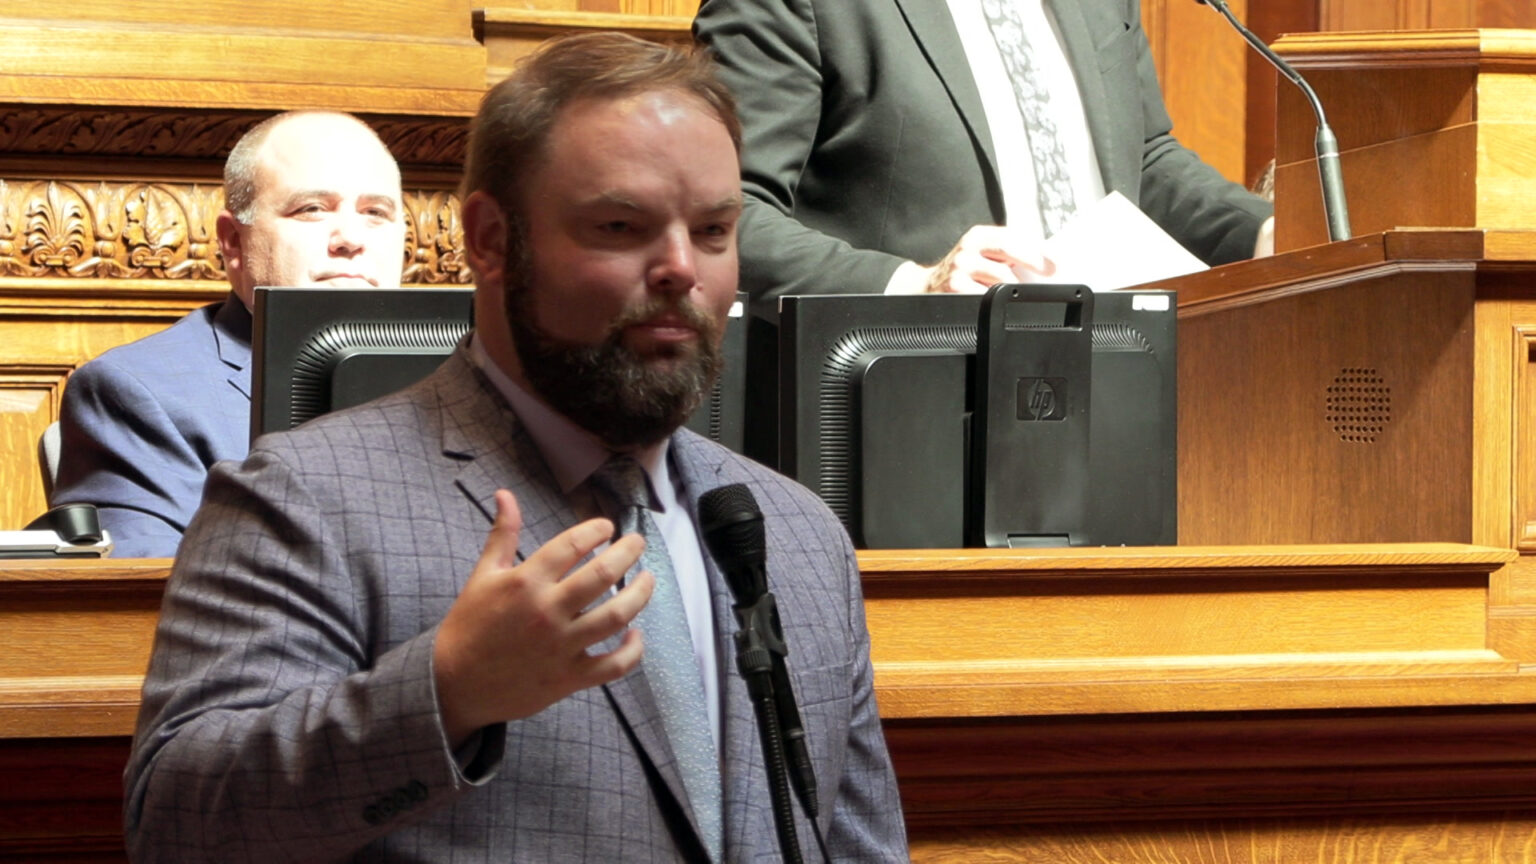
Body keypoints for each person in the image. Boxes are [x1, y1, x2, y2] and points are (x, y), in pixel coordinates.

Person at [122, 33, 907, 863]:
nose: (683, 267)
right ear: (491, 239)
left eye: (713, 231)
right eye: (620, 224)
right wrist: (446, 692)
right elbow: (176, 827)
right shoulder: (303, 497)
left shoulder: (797, 536)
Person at [692, 0, 1275, 299]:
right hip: (914, 391)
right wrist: (915, 285)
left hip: (1118, 367)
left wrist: (1268, 232)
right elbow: (724, 213)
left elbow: (1143, 161)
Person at [48, 110, 406, 557]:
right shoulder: (136, 393)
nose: (351, 238)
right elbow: (149, 610)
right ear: (233, 243)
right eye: (312, 209)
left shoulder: (468, 380)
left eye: (376, 213)